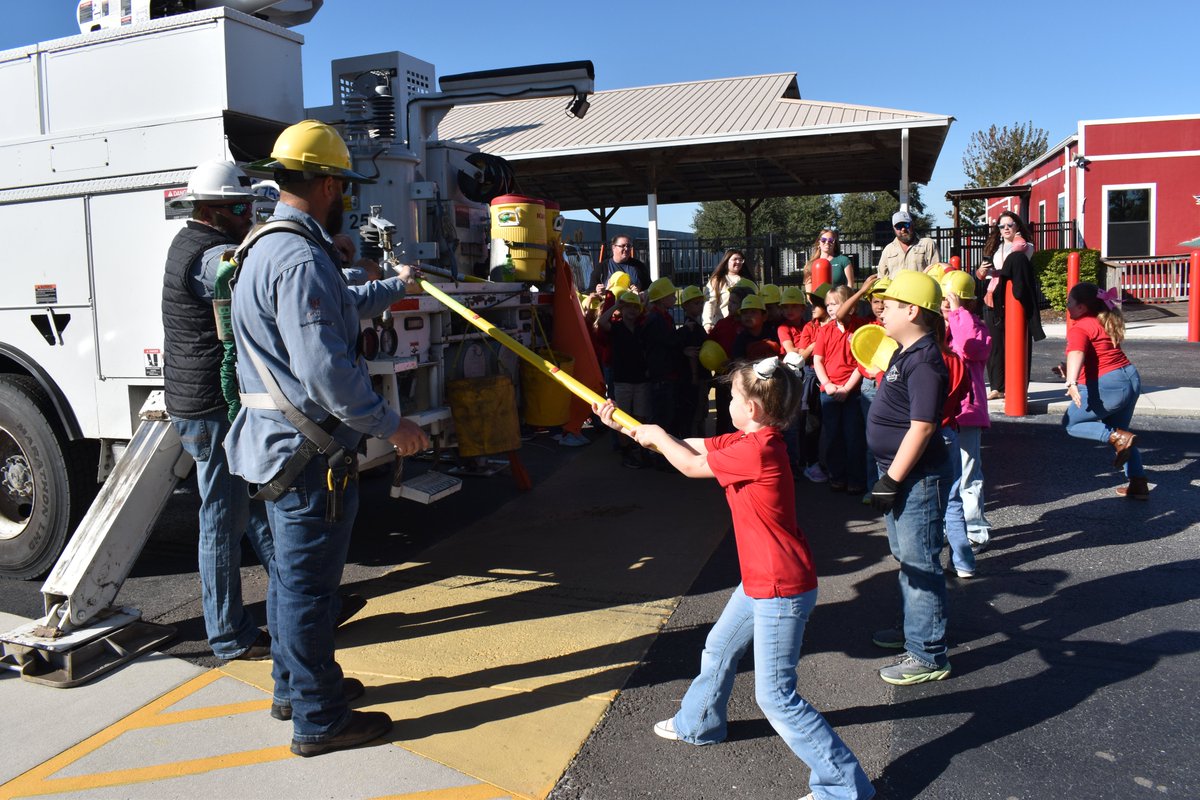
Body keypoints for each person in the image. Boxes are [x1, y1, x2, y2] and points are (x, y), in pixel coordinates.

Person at [227, 120, 428, 756]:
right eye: (340, 182)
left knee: (292, 580)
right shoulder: (299, 257)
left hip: (277, 446)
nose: (344, 194)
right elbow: (328, 371)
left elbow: (337, 303)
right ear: (321, 183)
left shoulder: (269, 246)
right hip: (305, 453)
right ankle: (319, 717)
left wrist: (396, 288)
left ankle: (297, 685)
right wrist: (390, 424)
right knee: (311, 586)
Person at [593, 359, 876, 800]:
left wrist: (658, 437)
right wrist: (631, 428)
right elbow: (692, 447)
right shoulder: (752, 438)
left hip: (781, 587)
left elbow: (688, 466)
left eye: (732, 399)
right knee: (718, 647)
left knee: (776, 697)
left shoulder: (758, 449)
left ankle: (844, 787)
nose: (727, 404)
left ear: (754, 410)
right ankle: (699, 723)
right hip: (761, 580)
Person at [161, 159, 275, 662]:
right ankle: (229, 636)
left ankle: (299, 598)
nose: (249, 215)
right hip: (212, 406)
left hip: (204, 400)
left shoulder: (190, 243)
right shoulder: (205, 256)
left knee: (249, 505)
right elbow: (230, 273)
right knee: (224, 518)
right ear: (217, 209)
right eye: (242, 208)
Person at [865, 270, 953, 685]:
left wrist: (891, 480)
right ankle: (914, 632)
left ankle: (928, 654)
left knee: (920, 563)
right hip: (901, 475)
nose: (881, 309)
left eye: (891, 304)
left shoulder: (924, 360)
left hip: (916, 479)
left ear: (912, 310)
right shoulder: (906, 350)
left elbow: (922, 427)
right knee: (906, 557)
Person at [1061, 283, 1148, 499]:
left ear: (1081, 307)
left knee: (1071, 424)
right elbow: (1097, 355)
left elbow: (1077, 353)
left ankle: (1116, 438)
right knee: (1123, 435)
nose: (1067, 306)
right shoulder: (1103, 320)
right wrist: (1069, 373)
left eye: (1069, 302)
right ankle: (1138, 485)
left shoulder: (1080, 326)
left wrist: (1071, 382)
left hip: (1110, 385)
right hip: (1129, 378)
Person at [940, 270, 994, 552]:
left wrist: (957, 314)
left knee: (968, 475)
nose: (947, 306)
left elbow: (970, 348)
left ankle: (974, 529)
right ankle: (950, 526)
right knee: (944, 474)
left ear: (968, 303)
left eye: (953, 300)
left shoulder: (977, 328)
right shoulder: (942, 328)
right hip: (945, 412)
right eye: (944, 301)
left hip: (968, 412)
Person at [976, 211, 1044, 400]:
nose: (1005, 229)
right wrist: (981, 271)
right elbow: (981, 276)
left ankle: (1019, 385)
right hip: (992, 298)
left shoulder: (1026, 246)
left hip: (1014, 300)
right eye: (1001, 226)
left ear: (1017, 226)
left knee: (1017, 343)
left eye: (1010, 225)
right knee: (995, 345)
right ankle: (997, 387)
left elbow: (1019, 249)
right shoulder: (995, 250)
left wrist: (1018, 234)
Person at [813, 286, 867, 494]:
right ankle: (837, 475)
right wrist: (827, 384)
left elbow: (860, 363)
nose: (830, 308)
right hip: (829, 391)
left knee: (854, 436)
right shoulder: (825, 330)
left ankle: (856, 479)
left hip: (852, 392)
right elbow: (818, 360)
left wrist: (846, 388)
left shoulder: (860, 328)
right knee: (833, 435)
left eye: (835, 303)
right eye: (828, 305)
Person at [597, 291, 649, 468]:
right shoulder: (617, 327)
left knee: (640, 415)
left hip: (641, 379)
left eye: (635, 307)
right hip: (622, 380)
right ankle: (626, 451)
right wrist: (617, 305)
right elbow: (601, 322)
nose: (632, 311)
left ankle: (638, 448)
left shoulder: (642, 328)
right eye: (628, 307)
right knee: (623, 417)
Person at [676, 285, 710, 437]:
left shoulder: (694, 325)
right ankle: (697, 440)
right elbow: (693, 354)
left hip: (699, 376)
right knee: (697, 411)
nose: (700, 306)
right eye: (696, 303)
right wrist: (695, 376)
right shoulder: (691, 328)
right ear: (685, 306)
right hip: (696, 377)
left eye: (701, 303)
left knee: (700, 411)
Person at [876, 210, 941, 279]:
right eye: (899, 226)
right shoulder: (888, 250)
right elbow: (881, 278)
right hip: (896, 289)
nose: (903, 229)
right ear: (894, 229)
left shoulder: (927, 244)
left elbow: (937, 273)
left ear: (912, 224)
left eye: (906, 224)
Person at [702, 249, 755, 331]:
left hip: (744, 326)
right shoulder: (717, 280)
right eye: (735, 259)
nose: (738, 262)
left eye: (740, 260)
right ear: (727, 261)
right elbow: (710, 303)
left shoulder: (748, 281)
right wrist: (708, 323)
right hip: (723, 325)